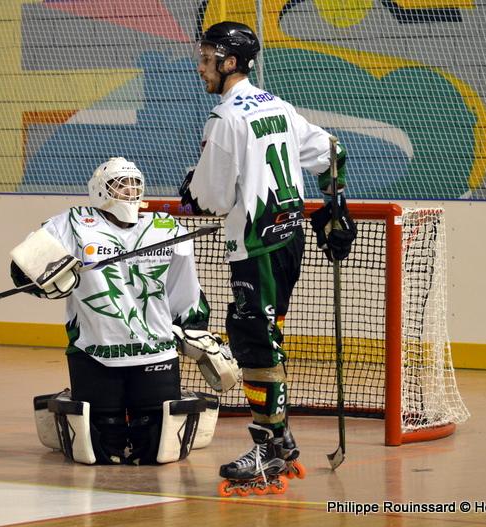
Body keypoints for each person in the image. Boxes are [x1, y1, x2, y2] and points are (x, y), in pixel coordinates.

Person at [180, 21, 357, 489]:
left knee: (255, 344)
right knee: (267, 336)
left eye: (206, 59)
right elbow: (332, 153)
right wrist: (334, 206)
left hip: (255, 244)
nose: (200, 68)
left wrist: (191, 192)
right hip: (288, 238)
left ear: (229, 62)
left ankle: (269, 450)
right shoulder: (278, 106)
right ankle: (280, 438)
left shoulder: (225, 119)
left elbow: (212, 200)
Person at [20, 156, 239, 465]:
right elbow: (27, 263)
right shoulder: (72, 224)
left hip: (156, 352)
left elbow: (184, 286)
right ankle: (66, 406)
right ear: (99, 189)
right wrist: (38, 279)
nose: (129, 192)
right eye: (120, 185)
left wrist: (194, 329)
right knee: (98, 451)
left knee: (156, 450)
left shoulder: (165, 227)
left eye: (135, 185)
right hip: (94, 351)